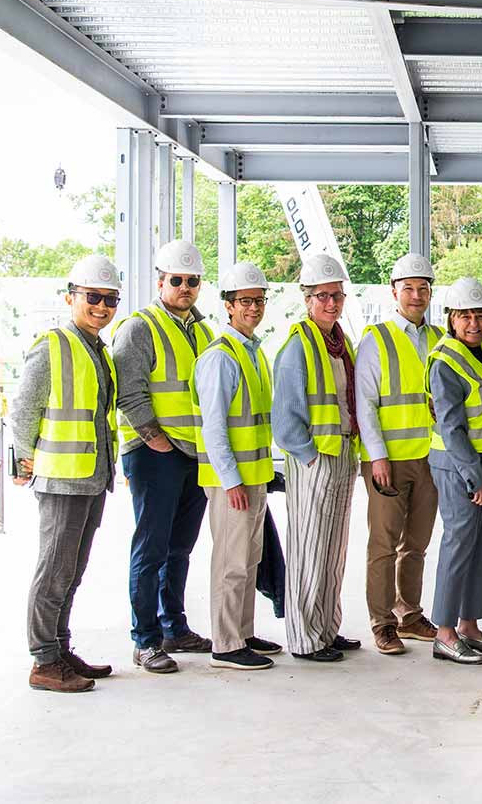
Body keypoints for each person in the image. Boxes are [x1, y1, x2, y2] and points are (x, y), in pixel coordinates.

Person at [15, 256, 121, 692]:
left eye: (109, 299)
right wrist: (25, 459)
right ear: (71, 297)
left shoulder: (98, 349)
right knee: (53, 572)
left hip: (92, 477)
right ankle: (43, 660)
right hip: (62, 479)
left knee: (72, 572)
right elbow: (24, 410)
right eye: (92, 297)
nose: (101, 306)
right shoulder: (53, 346)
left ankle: (60, 648)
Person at [113, 238, 216, 674]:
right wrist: (154, 438)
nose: (186, 287)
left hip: (192, 454)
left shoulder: (203, 329)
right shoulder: (140, 327)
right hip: (156, 453)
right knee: (151, 548)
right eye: (178, 280)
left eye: (193, 281)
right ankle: (145, 639)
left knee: (179, 548)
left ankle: (174, 627)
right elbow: (129, 388)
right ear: (161, 281)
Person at [271, 253, 362, 663]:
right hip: (314, 460)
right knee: (309, 550)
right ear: (307, 299)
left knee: (334, 549)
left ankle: (327, 627)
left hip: (342, 453)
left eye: (337, 295)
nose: (332, 303)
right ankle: (305, 639)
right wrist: (307, 457)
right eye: (323, 296)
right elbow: (285, 417)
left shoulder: (341, 344)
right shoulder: (298, 346)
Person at [191, 261, 280, 672]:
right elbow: (214, 428)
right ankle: (226, 644)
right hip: (233, 483)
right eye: (245, 301)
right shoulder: (220, 358)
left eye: (259, 300)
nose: (254, 308)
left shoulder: (253, 352)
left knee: (248, 560)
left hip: (254, 477)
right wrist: (230, 480)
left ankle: (242, 633)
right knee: (231, 563)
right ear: (228, 305)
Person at [356, 253, 443, 655]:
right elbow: (366, 402)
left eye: (422, 288)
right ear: (394, 292)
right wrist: (377, 457)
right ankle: (382, 622)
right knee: (383, 545)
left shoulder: (440, 337)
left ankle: (409, 614)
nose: (416, 295)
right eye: (408, 288)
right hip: (389, 460)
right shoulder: (377, 338)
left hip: (430, 460)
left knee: (417, 543)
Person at [427, 278, 482, 666]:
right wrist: (473, 476)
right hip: (461, 469)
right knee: (458, 546)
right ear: (451, 319)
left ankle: (470, 626)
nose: (474, 323)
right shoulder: (446, 361)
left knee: (480, 549)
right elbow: (451, 427)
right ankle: (444, 632)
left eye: (480, 315)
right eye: (465, 316)